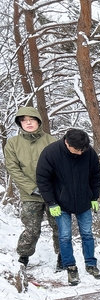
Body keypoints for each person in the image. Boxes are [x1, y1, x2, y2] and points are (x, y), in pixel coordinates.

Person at [35, 129, 100, 286]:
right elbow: (43, 179)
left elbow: (95, 174)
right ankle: (70, 266)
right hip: (61, 203)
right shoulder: (51, 153)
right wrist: (51, 202)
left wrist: (94, 196)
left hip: (84, 200)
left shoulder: (88, 152)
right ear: (67, 143)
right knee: (65, 236)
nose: (80, 153)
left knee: (87, 234)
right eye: (77, 150)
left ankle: (91, 264)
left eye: (83, 150)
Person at [3, 107, 60, 270]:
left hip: (54, 194)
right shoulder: (13, 143)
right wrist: (32, 188)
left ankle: (63, 257)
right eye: (24, 120)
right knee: (32, 228)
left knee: (59, 226)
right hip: (30, 195)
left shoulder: (52, 141)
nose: (28, 123)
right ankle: (23, 257)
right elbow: (13, 168)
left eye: (31, 119)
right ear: (20, 123)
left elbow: (62, 167)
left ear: (38, 121)